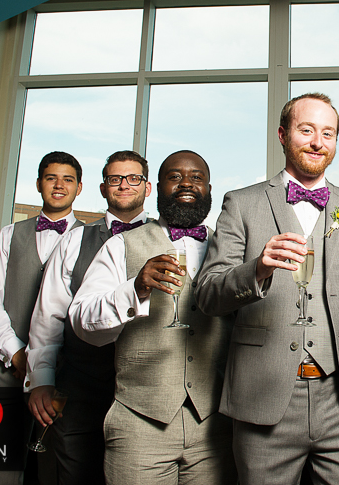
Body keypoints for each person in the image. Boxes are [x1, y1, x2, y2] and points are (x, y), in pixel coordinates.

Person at [194, 93, 339, 485]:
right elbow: (206, 294)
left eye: (328, 133)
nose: (318, 142)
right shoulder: (242, 203)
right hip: (263, 398)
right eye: (307, 130)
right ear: (283, 135)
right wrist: (256, 269)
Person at [69, 151, 235, 485]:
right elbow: (82, 322)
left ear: (209, 188)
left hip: (215, 426)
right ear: (155, 187)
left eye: (196, 177)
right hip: (138, 425)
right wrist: (136, 289)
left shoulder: (230, 249)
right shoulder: (121, 245)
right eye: (174, 176)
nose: (186, 183)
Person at [26, 150, 151, 485]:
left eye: (133, 178)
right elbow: (48, 315)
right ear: (102, 187)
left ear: (148, 188)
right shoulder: (74, 239)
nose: (124, 185)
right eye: (115, 179)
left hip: (145, 391)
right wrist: (41, 380)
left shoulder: (165, 240)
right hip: (81, 388)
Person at [0, 151, 84, 485]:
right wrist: (20, 356)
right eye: (51, 178)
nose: (59, 185)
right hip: (2, 373)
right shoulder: (8, 235)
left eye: (68, 179)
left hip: (64, 378)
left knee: (56, 472)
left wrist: (44, 367)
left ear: (79, 188)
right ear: (39, 184)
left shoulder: (93, 241)